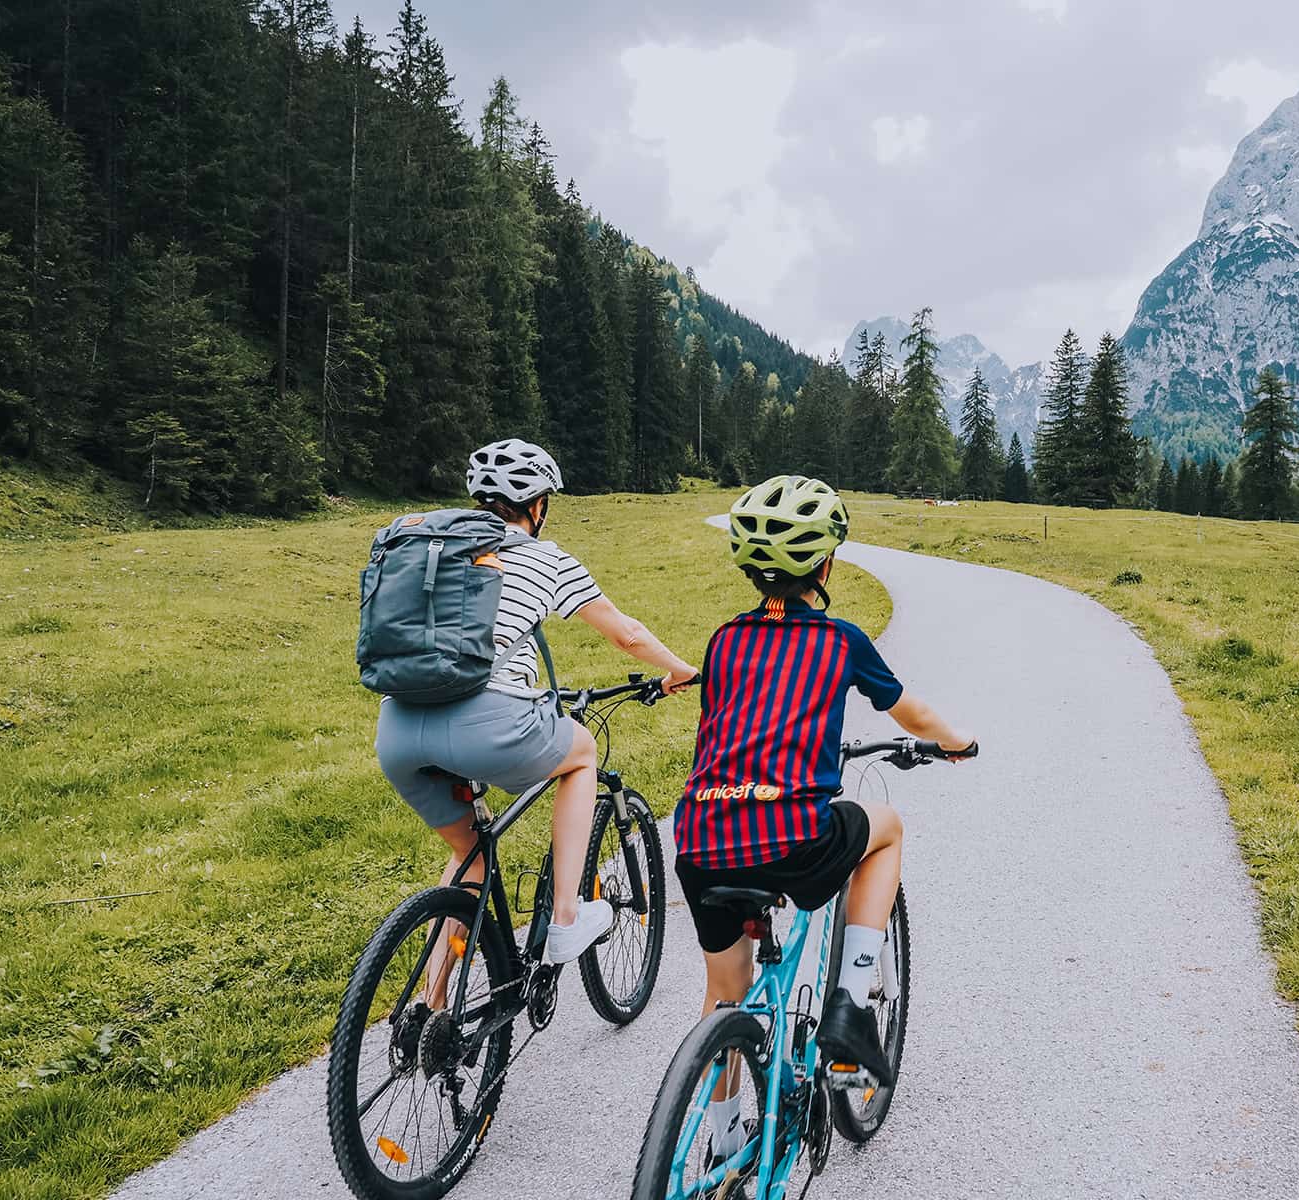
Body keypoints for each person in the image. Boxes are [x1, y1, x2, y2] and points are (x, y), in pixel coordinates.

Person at [673, 474, 973, 1161]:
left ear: (751, 569)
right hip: (792, 836)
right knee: (886, 829)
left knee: (725, 995)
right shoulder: (840, 641)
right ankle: (848, 1001)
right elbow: (912, 715)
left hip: (700, 838)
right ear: (826, 565)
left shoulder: (722, 642)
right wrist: (957, 743)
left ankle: (721, 1141)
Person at [375, 439, 697, 978]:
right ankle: (567, 917)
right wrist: (680, 670)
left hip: (398, 728)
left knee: (469, 856)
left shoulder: (433, 549)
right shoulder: (547, 557)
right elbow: (627, 635)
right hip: (485, 719)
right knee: (581, 753)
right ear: (538, 505)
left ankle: (430, 1015)